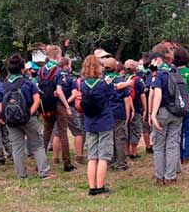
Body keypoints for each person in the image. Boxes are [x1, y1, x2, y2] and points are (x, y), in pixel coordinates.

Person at [3, 54, 53, 179]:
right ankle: (44, 173)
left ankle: (21, 174)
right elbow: (37, 100)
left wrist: (7, 116)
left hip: (11, 121)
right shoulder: (28, 83)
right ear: (22, 69)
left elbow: (0, 104)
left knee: (17, 147)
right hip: (29, 118)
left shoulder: (4, 85)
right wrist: (28, 114)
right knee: (37, 145)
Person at [80, 55, 116, 195]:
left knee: (92, 156)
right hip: (104, 122)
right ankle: (100, 186)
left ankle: (92, 187)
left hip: (90, 122)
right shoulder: (103, 85)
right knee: (103, 156)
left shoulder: (83, 85)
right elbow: (112, 92)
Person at [38, 45, 75, 172]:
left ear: (47, 55)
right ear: (58, 56)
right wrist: (67, 106)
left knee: (46, 133)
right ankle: (67, 163)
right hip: (58, 105)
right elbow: (59, 91)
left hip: (46, 105)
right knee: (63, 133)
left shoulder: (41, 70)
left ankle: (40, 162)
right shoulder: (58, 71)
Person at [149, 51, 182, 185]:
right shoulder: (175, 71)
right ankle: (170, 176)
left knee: (159, 145)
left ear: (157, 60)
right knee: (172, 144)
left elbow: (157, 94)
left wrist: (153, 114)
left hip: (162, 112)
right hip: (177, 112)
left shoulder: (160, 75)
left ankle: (160, 176)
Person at [52, 57, 86, 165]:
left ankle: (56, 158)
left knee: (58, 133)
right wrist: (66, 103)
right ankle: (79, 156)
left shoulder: (54, 77)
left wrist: (61, 102)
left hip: (57, 107)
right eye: (70, 65)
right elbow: (75, 94)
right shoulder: (70, 79)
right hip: (69, 107)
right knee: (78, 131)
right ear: (66, 66)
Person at [103, 57, 132, 171]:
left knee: (108, 137)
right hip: (119, 111)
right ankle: (121, 163)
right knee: (119, 137)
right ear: (116, 68)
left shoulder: (101, 80)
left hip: (105, 112)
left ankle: (110, 161)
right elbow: (126, 99)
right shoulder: (121, 81)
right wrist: (127, 114)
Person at [124, 59, 146, 160]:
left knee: (126, 129)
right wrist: (145, 108)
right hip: (136, 108)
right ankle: (133, 152)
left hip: (125, 108)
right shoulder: (138, 80)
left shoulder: (123, 79)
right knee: (136, 130)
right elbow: (142, 95)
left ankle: (126, 151)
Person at [139, 54, 154, 154]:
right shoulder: (152, 73)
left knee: (145, 127)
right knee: (152, 124)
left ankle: (148, 146)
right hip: (152, 101)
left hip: (141, 102)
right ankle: (153, 145)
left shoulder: (138, 73)